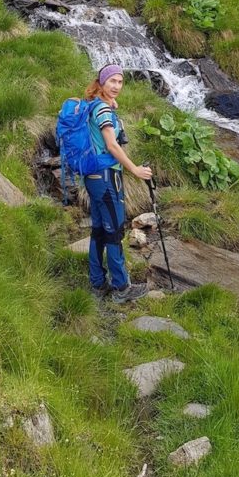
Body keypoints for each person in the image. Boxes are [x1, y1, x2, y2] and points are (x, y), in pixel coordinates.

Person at [84, 63, 153, 303]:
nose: (116, 86)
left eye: (120, 82)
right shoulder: (102, 110)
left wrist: (110, 106)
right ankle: (121, 288)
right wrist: (134, 169)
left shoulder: (95, 105)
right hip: (105, 177)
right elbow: (112, 145)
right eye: (112, 81)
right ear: (102, 82)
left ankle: (97, 282)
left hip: (94, 176)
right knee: (114, 231)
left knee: (100, 229)